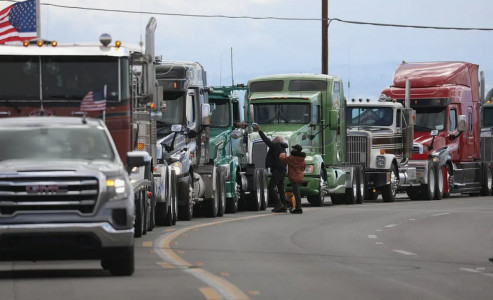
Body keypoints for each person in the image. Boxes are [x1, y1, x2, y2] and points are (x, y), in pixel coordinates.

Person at [253, 124, 288, 213]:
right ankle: (284, 206)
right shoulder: (283, 148)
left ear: (277, 141)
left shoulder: (276, 146)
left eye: (274, 139)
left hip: (278, 170)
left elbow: (266, 141)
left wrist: (259, 131)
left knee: (271, 187)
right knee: (280, 188)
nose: (273, 140)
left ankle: (279, 204)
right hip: (282, 170)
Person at [279, 144, 306, 214]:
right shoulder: (302, 159)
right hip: (300, 176)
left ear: (296, 150)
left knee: (296, 193)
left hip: (294, 176)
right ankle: (298, 207)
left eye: (293, 148)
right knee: (297, 192)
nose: (292, 149)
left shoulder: (292, 158)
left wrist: (282, 155)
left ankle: (298, 208)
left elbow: (283, 160)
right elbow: (303, 168)